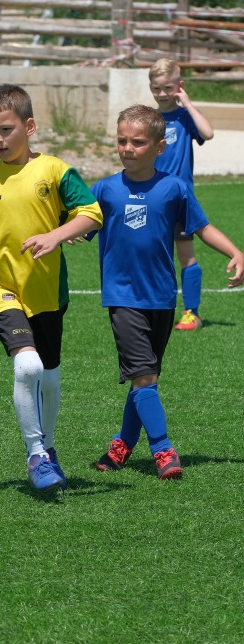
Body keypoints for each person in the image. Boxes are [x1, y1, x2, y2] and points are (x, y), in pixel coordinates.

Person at [0, 84, 104, 495]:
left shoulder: (55, 170)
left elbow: (92, 213)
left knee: (51, 378)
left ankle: (50, 447)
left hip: (47, 291)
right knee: (28, 367)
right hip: (1, 286)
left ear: (30, 126)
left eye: (5, 130)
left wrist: (56, 235)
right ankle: (36, 453)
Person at [90, 105, 243, 479]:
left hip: (161, 296)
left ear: (159, 147)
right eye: (122, 140)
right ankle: (163, 449)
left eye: (138, 142)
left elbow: (201, 227)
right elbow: (79, 223)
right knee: (143, 375)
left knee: (148, 378)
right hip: (122, 297)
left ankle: (121, 445)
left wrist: (236, 251)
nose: (127, 148)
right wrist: (60, 235)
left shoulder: (174, 187)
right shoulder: (104, 189)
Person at [149, 58, 217, 331]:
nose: (163, 94)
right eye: (157, 88)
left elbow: (208, 133)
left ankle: (192, 313)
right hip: (152, 197)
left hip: (180, 199)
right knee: (152, 254)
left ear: (180, 85)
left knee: (186, 255)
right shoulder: (149, 120)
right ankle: (154, 311)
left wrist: (187, 104)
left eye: (168, 87)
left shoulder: (185, 117)